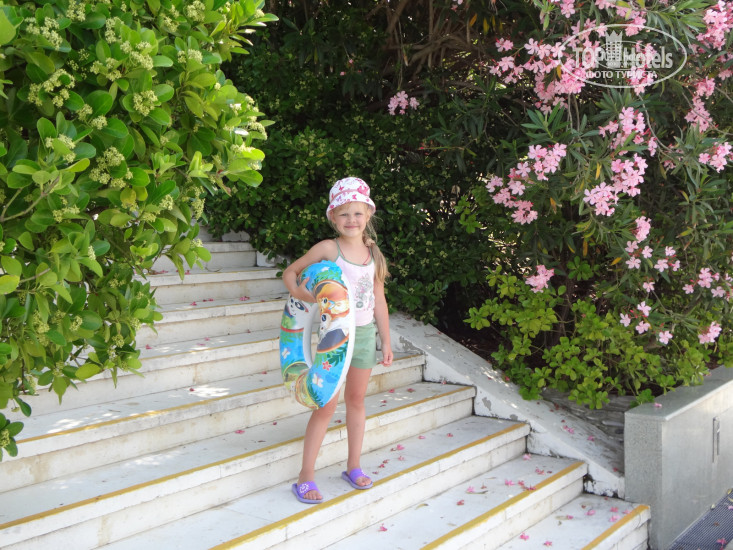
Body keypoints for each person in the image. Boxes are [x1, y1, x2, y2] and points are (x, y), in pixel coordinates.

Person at [282, 176, 393, 504]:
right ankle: (305, 476)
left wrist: (386, 341)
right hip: (334, 337)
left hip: (365, 336)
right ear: (333, 216)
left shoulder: (373, 253)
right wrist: (300, 293)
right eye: (344, 214)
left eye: (357, 213)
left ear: (368, 214)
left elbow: (379, 299)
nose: (351, 220)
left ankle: (353, 466)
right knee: (326, 404)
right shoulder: (328, 249)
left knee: (356, 400)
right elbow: (291, 272)